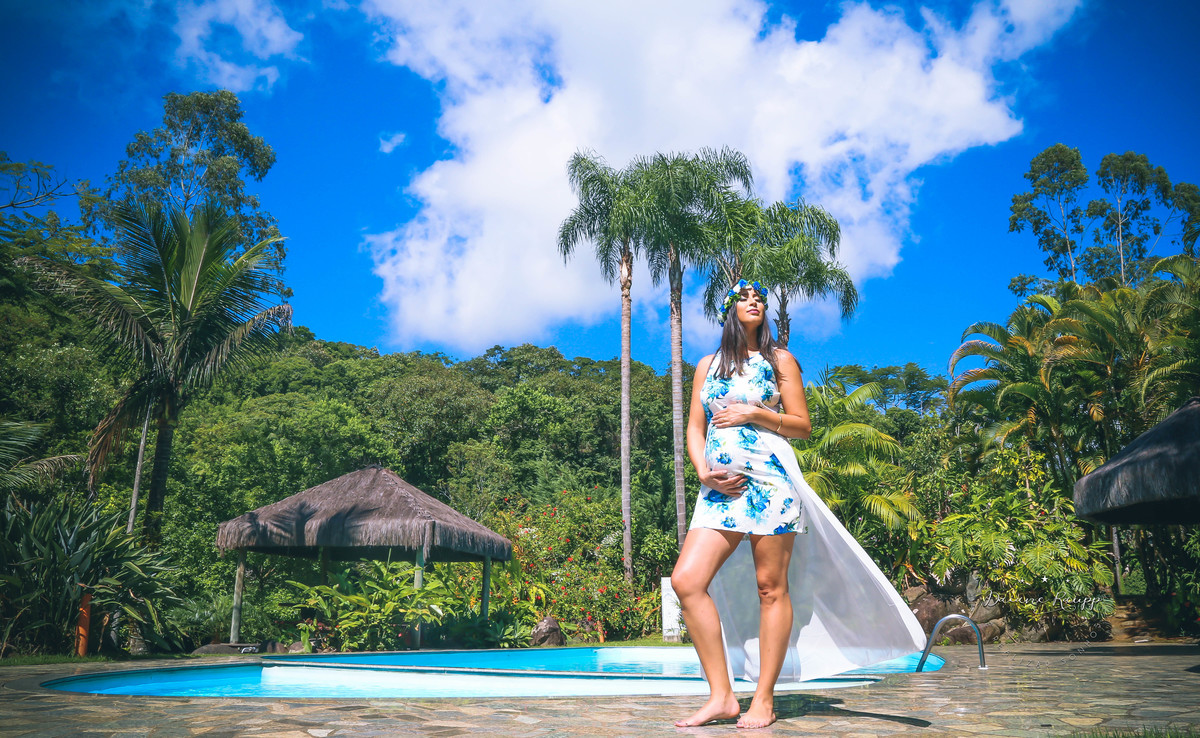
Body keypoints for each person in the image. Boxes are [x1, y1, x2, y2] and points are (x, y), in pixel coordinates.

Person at [670, 279, 925, 729]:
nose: (754, 302)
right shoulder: (707, 365)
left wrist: (755, 413)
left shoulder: (779, 360)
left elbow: (802, 425)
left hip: (771, 483)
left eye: (760, 298)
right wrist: (701, 470)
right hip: (719, 490)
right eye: (745, 297)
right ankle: (722, 697)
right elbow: (695, 427)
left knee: (771, 588)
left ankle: (763, 699)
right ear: (729, 310)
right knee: (686, 581)